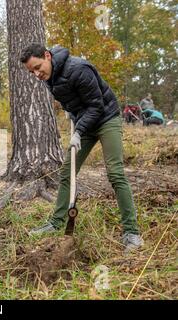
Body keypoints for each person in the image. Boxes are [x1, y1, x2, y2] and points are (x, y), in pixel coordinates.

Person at [20, 43, 143, 253]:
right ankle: (56, 223)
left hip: (106, 119)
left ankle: (132, 232)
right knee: (67, 172)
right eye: (32, 71)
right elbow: (76, 100)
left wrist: (78, 131)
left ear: (47, 56)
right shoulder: (49, 77)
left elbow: (96, 105)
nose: (37, 74)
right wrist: (71, 111)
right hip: (85, 121)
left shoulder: (78, 69)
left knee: (115, 173)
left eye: (38, 67)